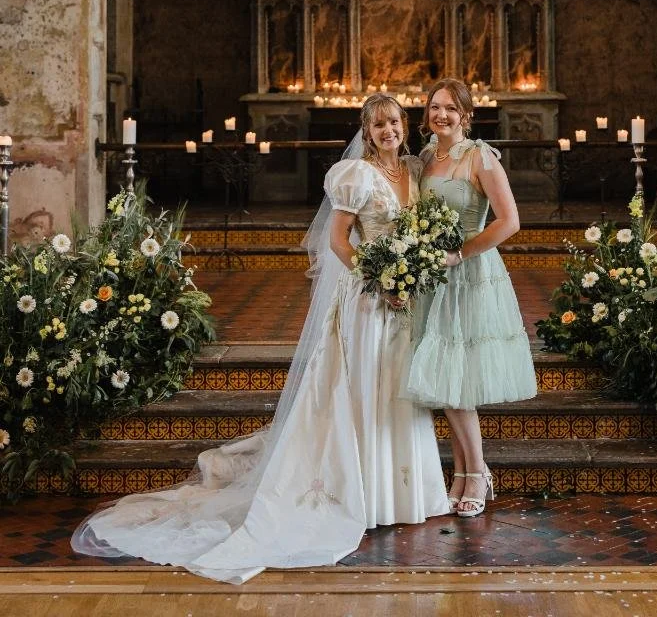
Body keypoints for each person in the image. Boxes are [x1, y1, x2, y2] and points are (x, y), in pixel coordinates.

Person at [71, 94, 448, 582]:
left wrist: (409, 278)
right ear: (366, 129)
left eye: (394, 121)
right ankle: (360, 494)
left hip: (404, 303)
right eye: (378, 124)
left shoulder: (415, 172)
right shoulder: (354, 175)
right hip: (368, 298)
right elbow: (337, 241)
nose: (388, 130)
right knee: (362, 389)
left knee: (395, 389)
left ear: (405, 126)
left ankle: (400, 492)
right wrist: (380, 279)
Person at [404, 77, 537, 517]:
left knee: (455, 375)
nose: (441, 114)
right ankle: (461, 473)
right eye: (435, 106)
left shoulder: (480, 157)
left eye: (450, 108)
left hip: (468, 271)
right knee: (445, 375)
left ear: (466, 115)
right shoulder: (425, 157)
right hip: (432, 277)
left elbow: (509, 221)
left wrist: (460, 253)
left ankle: (478, 471)